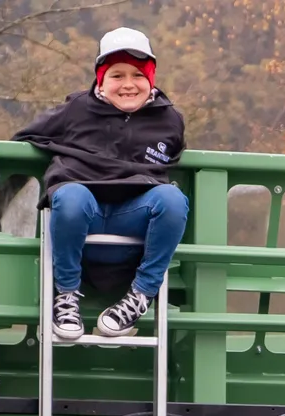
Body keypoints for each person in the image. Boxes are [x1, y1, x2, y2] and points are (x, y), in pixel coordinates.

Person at [15, 27, 188, 343]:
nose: (127, 85)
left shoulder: (169, 119)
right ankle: (66, 296)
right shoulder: (76, 109)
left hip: (132, 218)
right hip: (84, 213)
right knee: (70, 195)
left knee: (173, 199)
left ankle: (139, 297)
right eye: (117, 76)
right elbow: (25, 136)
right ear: (101, 79)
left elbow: (173, 156)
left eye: (137, 75)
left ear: (151, 78)